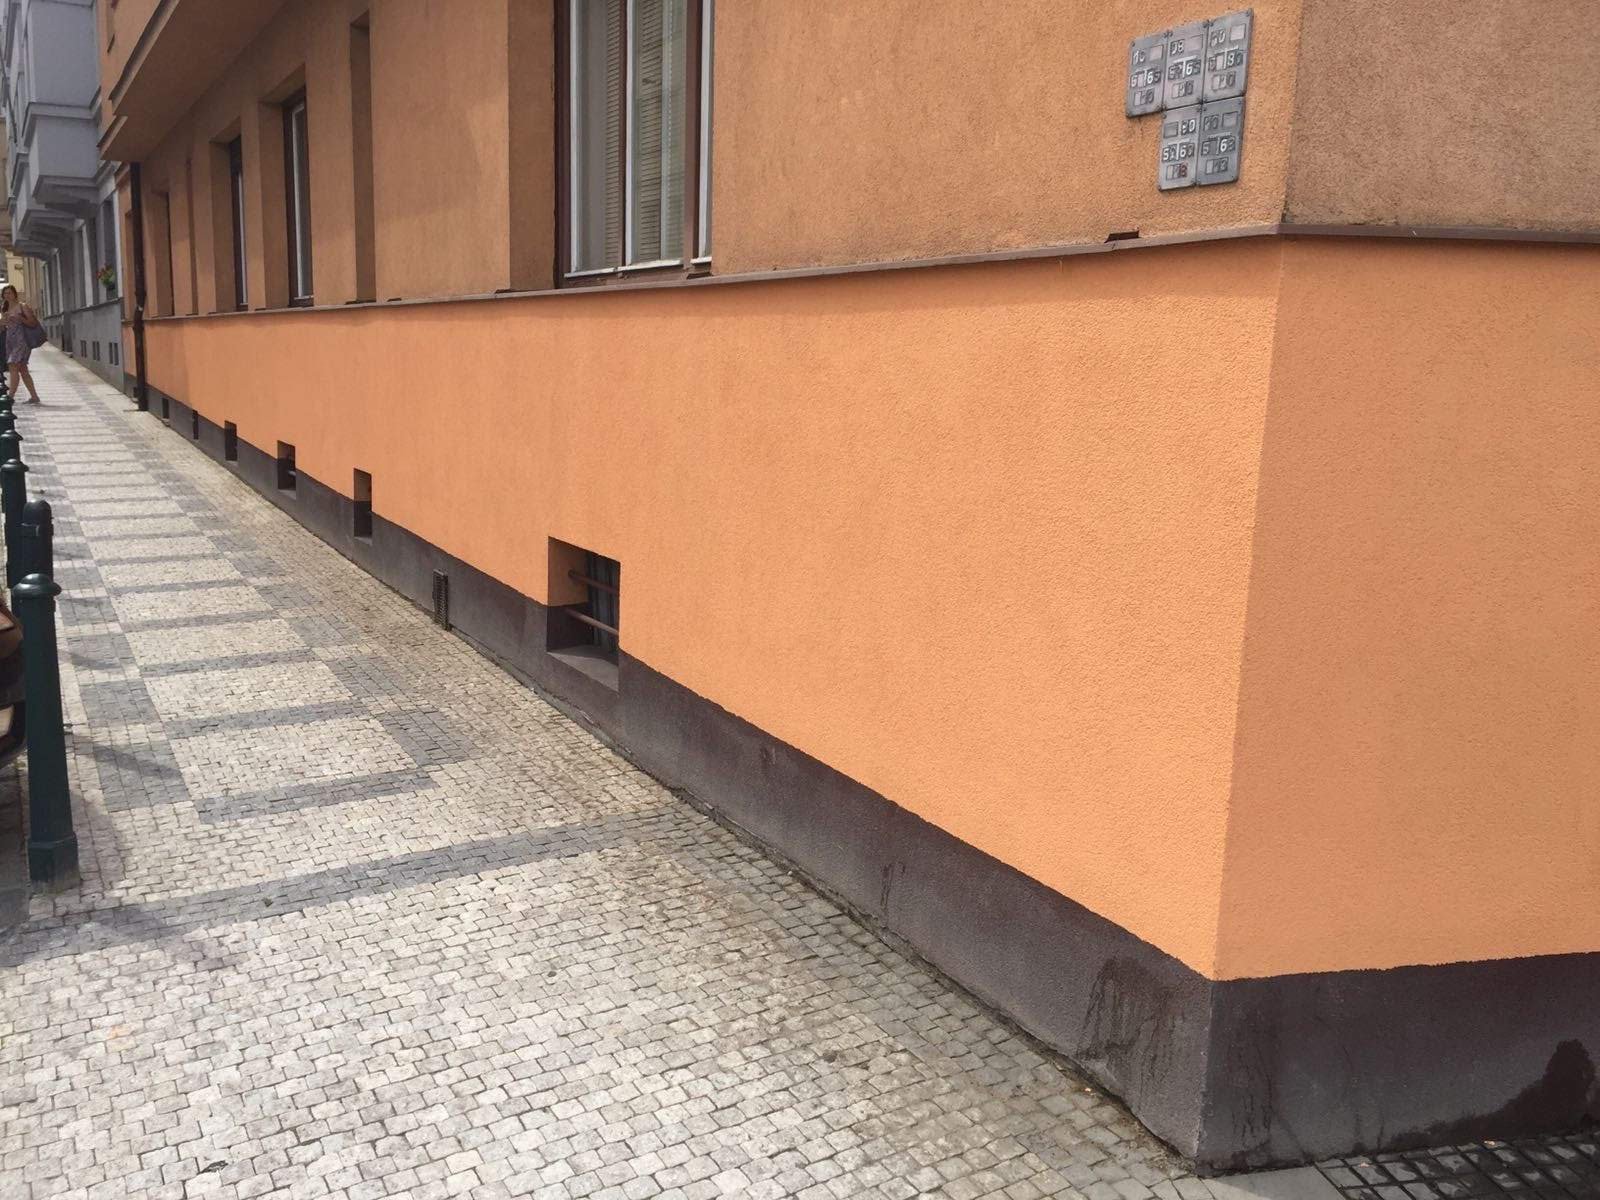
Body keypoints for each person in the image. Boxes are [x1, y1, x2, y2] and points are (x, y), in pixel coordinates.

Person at [0, 286, 41, 403]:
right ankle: (34, 397)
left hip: (22, 341)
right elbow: (3, 328)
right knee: (23, 370)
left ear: (15, 294)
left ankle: (10, 397)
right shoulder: (4, 309)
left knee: (12, 365)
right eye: (5, 293)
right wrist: (2, 322)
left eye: (10, 293)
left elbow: (33, 323)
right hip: (10, 342)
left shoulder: (22, 306)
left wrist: (20, 318)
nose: (7, 295)